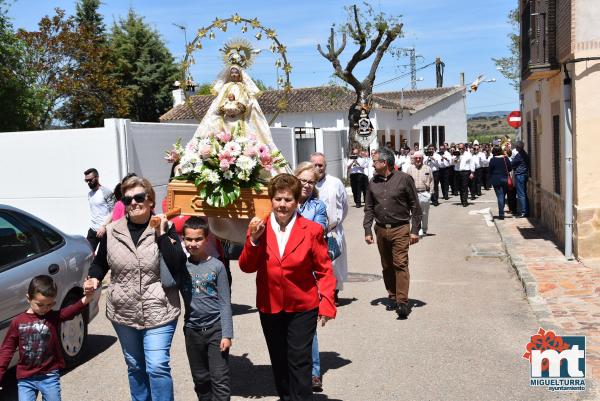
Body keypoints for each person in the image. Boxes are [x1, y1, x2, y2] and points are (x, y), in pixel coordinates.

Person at [86, 176, 184, 401]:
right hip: (123, 311)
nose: (133, 203)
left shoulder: (165, 226)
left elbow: (176, 263)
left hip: (160, 308)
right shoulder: (112, 231)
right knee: (135, 366)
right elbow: (100, 263)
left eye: (139, 197)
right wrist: (94, 278)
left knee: (157, 366)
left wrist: (161, 233)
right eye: (127, 199)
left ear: (150, 200)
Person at [239, 174, 336, 401]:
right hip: (270, 305)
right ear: (271, 200)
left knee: (299, 360)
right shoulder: (258, 227)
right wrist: (253, 241)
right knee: (279, 361)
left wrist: (328, 304)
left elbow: (324, 270)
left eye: (288, 200)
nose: (283, 205)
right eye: (278, 199)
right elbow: (246, 266)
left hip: (302, 305)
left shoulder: (311, 230)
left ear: (296, 202)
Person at [0, 275, 94, 401]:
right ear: (28, 298)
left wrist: (87, 298)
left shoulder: (52, 317)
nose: (45, 309)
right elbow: (7, 350)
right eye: (40, 304)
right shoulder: (18, 322)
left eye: (50, 304)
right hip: (26, 378)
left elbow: (71, 310)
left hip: (49, 375)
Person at [364, 147, 422, 319]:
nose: (373, 164)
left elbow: (415, 206)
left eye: (375, 161)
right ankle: (392, 296)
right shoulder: (372, 182)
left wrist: (414, 230)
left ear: (385, 163)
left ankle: (402, 302)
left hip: (400, 228)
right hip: (381, 229)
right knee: (387, 265)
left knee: (400, 264)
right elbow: (368, 208)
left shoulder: (404, 179)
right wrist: (367, 229)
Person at [179, 217, 233, 401]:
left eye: (198, 239)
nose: (193, 243)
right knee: (201, 380)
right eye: (188, 239)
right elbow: (165, 278)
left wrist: (227, 334)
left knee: (220, 379)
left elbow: (225, 302)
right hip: (192, 331)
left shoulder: (217, 266)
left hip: (215, 330)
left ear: (207, 239)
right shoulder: (181, 266)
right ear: (183, 239)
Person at [294, 162, 328, 392]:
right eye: (303, 180)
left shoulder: (318, 206)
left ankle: (314, 372)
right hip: (283, 272)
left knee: (308, 326)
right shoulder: (282, 202)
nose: (307, 185)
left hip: (308, 272)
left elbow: (316, 234)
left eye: (311, 182)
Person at [310, 152, 349, 304]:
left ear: (325, 167)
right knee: (313, 265)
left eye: (321, 165)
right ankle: (316, 294)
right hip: (311, 233)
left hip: (332, 231)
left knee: (334, 264)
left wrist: (335, 223)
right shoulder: (305, 183)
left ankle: (333, 293)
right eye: (315, 164)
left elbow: (344, 206)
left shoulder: (335, 183)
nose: (318, 168)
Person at [84, 168, 115, 251]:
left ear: (97, 178)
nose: (88, 183)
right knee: (88, 253)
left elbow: (114, 211)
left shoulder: (106, 192)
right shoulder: (90, 194)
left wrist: (104, 226)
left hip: (105, 230)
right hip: (93, 229)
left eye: (90, 180)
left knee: (105, 259)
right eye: (86, 181)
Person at [406, 151, 433, 237]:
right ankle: (416, 230)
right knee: (414, 213)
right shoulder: (410, 169)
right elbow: (406, 182)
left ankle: (424, 230)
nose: (418, 159)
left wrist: (430, 193)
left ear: (422, 159)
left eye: (420, 158)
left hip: (424, 193)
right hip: (413, 194)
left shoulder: (427, 168)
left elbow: (432, 181)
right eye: (416, 158)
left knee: (424, 213)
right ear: (413, 159)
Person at [488, 145, 512, 220]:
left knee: (500, 196)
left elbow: (490, 170)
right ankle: (501, 212)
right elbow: (510, 168)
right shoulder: (505, 158)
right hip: (505, 179)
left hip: (496, 180)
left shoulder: (492, 159)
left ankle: (501, 214)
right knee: (502, 196)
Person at [511, 141, 530, 218]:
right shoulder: (524, 154)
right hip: (524, 175)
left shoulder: (519, 155)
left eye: (516, 146)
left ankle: (524, 212)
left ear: (519, 147)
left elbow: (512, 163)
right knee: (524, 193)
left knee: (521, 194)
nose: (515, 148)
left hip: (520, 175)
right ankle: (526, 210)